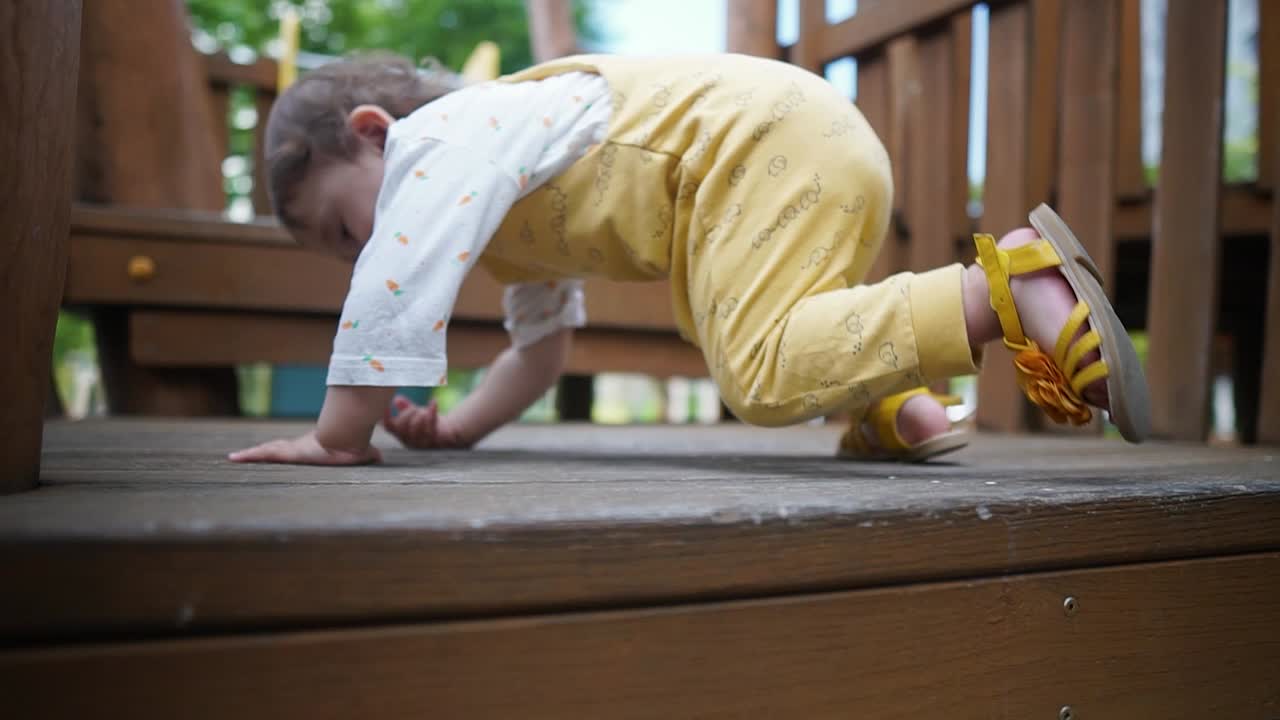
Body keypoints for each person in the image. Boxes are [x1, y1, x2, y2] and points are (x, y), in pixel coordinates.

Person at [229, 52, 1149, 466]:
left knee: (759, 375)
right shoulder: (500, 189)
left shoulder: (444, 143)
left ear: (373, 133)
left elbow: (401, 269)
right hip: (795, 145)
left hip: (758, 145)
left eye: (345, 232)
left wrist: (335, 435)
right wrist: (461, 427)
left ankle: (1009, 285)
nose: (363, 259)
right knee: (711, 315)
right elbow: (542, 350)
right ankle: (889, 401)